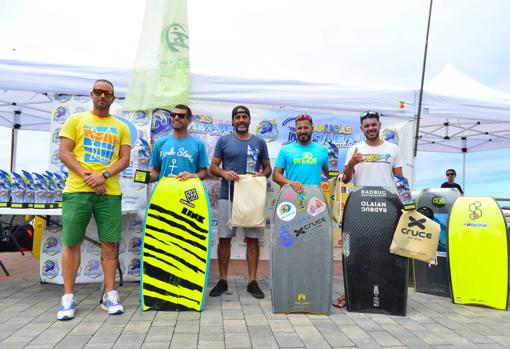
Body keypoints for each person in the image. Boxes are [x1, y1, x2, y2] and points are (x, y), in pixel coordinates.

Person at [57, 79, 131, 320]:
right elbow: (64, 152)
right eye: (98, 92)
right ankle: (68, 297)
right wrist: (88, 176)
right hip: (77, 190)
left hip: (109, 193)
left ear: (113, 98)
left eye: (107, 93)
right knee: (71, 243)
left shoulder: (121, 127)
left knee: (110, 244)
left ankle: (109, 294)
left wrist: (104, 175)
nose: (102, 96)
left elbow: (124, 159)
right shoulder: (75, 120)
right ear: (92, 94)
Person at [332, 110, 403, 308]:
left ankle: (390, 295)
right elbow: (345, 178)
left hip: (388, 208)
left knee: (388, 254)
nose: (371, 128)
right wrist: (351, 164)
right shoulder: (355, 148)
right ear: (362, 128)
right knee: (356, 253)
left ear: (379, 125)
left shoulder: (393, 149)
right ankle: (351, 293)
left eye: (374, 124)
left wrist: (406, 204)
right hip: (360, 207)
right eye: (367, 126)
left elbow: (399, 178)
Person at [209, 106, 272, 299]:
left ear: (250, 119)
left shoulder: (259, 142)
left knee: (253, 239)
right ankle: (222, 280)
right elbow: (213, 167)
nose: (241, 119)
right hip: (228, 194)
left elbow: (268, 168)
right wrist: (223, 173)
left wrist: (261, 175)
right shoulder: (224, 141)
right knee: (225, 238)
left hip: (252, 195)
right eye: (238, 117)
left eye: (245, 116)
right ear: (233, 121)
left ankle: (252, 282)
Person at [149, 104, 209, 182]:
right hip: (165, 191)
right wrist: (147, 178)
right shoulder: (159, 143)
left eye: (181, 116)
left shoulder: (198, 144)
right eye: (173, 115)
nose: (176, 117)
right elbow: (156, 170)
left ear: (189, 120)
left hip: (187, 191)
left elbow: (204, 172)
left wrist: (193, 175)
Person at [272, 114, 329, 191]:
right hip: (292, 196)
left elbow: (330, 175)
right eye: (299, 128)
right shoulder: (285, 150)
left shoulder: (323, 150)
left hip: (315, 198)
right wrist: (290, 183)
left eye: (306, 128)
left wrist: (340, 174)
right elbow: (276, 175)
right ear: (295, 130)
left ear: (312, 129)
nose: (302, 131)